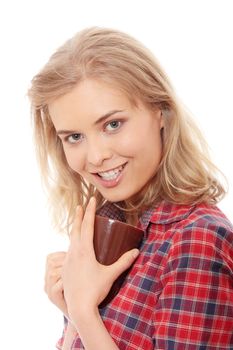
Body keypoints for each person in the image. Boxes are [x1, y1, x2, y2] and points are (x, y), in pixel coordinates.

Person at [28, 27, 233, 349]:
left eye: (112, 124)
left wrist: (84, 312)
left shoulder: (197, 238)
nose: (96, 157)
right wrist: (71, 313)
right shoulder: (107, 225)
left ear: (160, 111)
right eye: (74, 137)